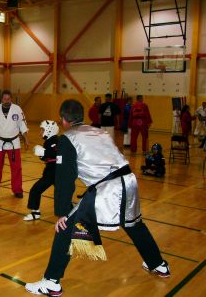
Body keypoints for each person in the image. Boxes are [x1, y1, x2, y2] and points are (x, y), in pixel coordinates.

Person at [25, 99, 169, 296]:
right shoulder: (99, 131)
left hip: (108, 188)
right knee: (134, 224)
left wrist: (61, 212)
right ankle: (158, 264)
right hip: (129, 180)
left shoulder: (68, 139)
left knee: (64, 228)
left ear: (63, 120)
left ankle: (51, 282)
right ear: (81, 116)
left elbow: (65, 178)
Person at [0, 90, 30, 198]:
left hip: (14, 143)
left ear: (11, 99)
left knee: (16, 168)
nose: (7, 101)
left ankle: (17, 190)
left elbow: (23, 124)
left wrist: (26, 138)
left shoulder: (17, 109)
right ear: (1, 99)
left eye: (8, 99)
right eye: (4, 99)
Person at [24, 120, 59, 221]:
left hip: (55, 172)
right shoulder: (50, 140)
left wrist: (44, 152)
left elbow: (57, 152)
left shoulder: (55, 140)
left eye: (42, 130)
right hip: (52, 171)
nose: (40, 132)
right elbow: (49, 157)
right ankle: (36, 212)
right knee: (60, 193)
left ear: (49, 130)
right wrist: (42, 155)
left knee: (36, 190)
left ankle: (35, 213)